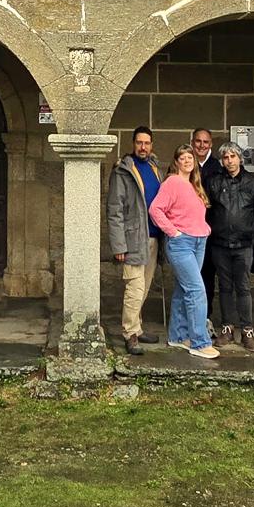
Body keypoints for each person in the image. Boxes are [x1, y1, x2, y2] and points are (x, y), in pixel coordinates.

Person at [148, 145, 218, 358]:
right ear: (176, 161)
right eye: (183, 157)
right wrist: (173, 232)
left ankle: (178, 336)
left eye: (191, 157)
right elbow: (155, 209)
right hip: (182, 243)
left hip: (199, 241)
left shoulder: (194, 185)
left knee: (183, 289)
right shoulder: (172, 182)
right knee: (197, 290)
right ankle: (199, 342)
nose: (187, 160)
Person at [106, 125, 163, 355]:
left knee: (145, 287)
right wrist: (119, 245)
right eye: (139, 143)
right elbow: (114, 210)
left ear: (151, 145)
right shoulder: (122, 171)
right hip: (132, 240)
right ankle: (130, 334)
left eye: (147, 143)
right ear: (133, 144)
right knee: (134, 287)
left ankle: (137, 328)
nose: (143, 147)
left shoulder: (154, 167)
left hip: (152, 238)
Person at [204, 141, 254, 351]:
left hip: (243, 245)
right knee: (225, 287)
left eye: (233, 156)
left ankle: (247, 330)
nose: (229, 161)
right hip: (220, 244)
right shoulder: (213, 183)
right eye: (226, 158)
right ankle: (227, 328)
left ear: (240, 158)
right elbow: (208, 211)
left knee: (243, 287)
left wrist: (249, 235)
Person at [189, 128, 223, 327]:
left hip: (209, 231)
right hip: (187, 229)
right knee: (188, 275)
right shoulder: (185, 162)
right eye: (198, 141)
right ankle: (187, 316)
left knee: (207, 275)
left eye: (206, 142)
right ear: (193, 142)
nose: (201, 145)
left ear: (211, 144)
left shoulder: (217, 168)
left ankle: (205, 316)